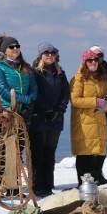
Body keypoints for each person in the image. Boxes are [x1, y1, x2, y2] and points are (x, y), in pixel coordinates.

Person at [28, 42, 68, 197]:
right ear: (41, 55)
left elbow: (65, 92)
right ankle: (37, 185)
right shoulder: (35, 73)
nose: (49, 55)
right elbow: (34, 92)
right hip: (39, 117)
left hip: (56, 120)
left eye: (52, 53)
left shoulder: (60, 73)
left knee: (50, 152)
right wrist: (46, 109)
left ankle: (47, 185)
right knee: (38, 152)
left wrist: (59, 110)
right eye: (46, 53)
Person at [70, 49, 107, 185]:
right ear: (84, 62)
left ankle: (92, 184)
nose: (93, 62)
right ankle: (82, 185)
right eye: (90, 60)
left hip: (99, 120)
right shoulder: (78, 78)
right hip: (84, 121)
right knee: (84, 153)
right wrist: (94, 101)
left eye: (95, 60)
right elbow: (75, 100)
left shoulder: (101, 78)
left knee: (95, 153)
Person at [0, 36, 37, 119]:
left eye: (17, 46)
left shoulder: (27, 67)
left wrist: (28, 107)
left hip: (23, 113)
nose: (15, 48)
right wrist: (27, 100)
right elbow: (4, 91)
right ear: (4, 51)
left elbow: (33, 87)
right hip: (4, 113)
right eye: (11, 47)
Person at [89, 44, 107, 185]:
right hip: (90, 113)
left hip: (106, 112)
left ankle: (98, 173)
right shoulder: (85, 71)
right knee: (91, 144)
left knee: (103, 144)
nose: (96, 59)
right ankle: (90, 175)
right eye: (93, 56)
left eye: (100, 56)